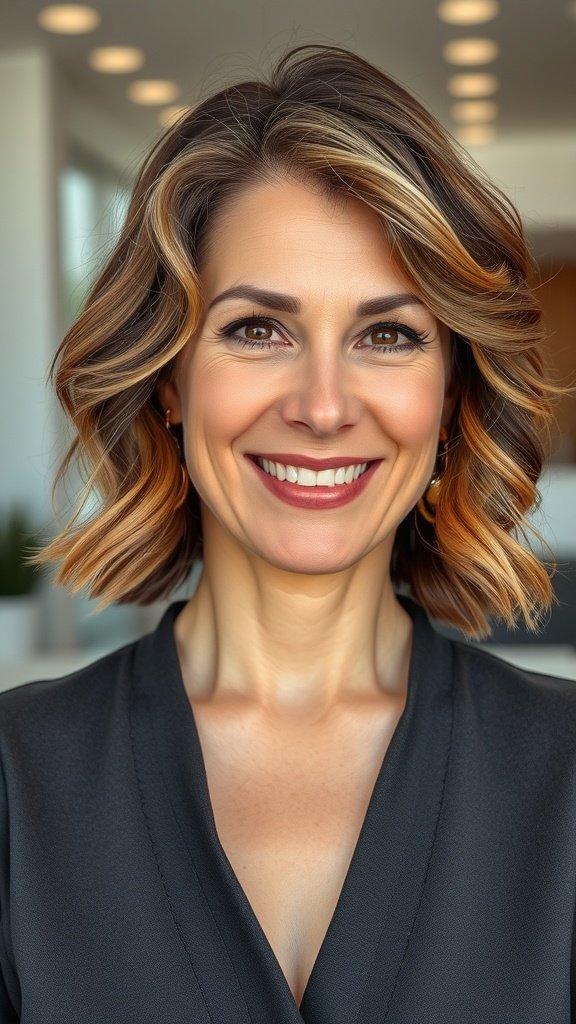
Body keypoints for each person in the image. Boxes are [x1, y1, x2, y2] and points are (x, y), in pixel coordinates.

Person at [0, 43, 574, 1024]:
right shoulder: (18, 783)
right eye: (258, 328)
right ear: (170, 380)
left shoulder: (563, 775)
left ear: (448, 397)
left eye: (387, 335)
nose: (321, 405)